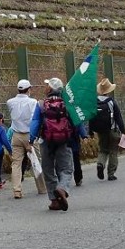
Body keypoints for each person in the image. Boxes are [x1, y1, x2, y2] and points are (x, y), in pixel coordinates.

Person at [29, 77, 75, 211]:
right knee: (66, 168)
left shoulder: (42, 104)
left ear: (49, 89)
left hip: (46, 141)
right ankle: (62, 188)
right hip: (64, 140)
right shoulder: (67, 103)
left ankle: (54, 201)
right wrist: (83, 134)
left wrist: (31, 139)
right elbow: (75, 120)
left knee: (48, 170)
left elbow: (35, 122)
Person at [5, 79, 45, 199]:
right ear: (28, 89)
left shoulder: (10, 102)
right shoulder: (33, 102)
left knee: (16, 163)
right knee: (36, 161)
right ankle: (42, 188)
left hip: (16, 135)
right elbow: (35, 120)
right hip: (29, 135)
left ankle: (17, 190)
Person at [90, 78, 125, 181]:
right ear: (109, 91)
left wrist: (90, 131)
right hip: (112, 130)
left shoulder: (94, 102)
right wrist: (124, 132)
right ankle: (111, 174)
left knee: (103, 150)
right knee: (113, 151)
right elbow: (119, 118)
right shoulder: (112, 102)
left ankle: (100, 164)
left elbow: (90, 118)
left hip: (100, 131)